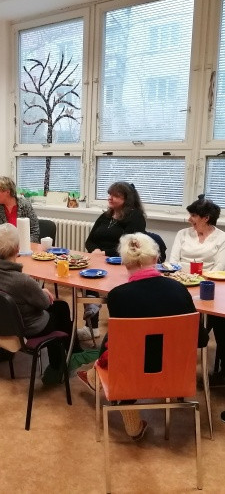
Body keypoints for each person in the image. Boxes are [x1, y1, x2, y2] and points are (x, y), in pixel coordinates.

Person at [77, 233, 208, 440]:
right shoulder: (180, 290)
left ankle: (122, 409)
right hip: (177, 375)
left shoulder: (118, 296)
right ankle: (95, 378)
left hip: (132, 377)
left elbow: (121, 348)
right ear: (156, 259)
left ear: (125, 263)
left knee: (115, 340)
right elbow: (201, 340)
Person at [0, 223, 78, 370]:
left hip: (0, 322)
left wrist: (38, 291)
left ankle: (73, 352)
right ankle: (60, 364)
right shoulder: (23, 281)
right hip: (26, 328)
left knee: (59, 307)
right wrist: (41, 291)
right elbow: (45, 304)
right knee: (60, 309)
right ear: (17, 249)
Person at [80, 181, 147, 341]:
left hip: (121, 262)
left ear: (127, 199)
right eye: (109, 194)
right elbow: (90, 240)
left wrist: (104, 253)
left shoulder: (135, 217)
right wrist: (95, 251)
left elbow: (129, 246)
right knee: (85, 279)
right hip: (98, 259)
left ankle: (118, 331)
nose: (110, 198)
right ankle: (91, 327)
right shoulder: (106, 216)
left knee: (115, 293)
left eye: (115, 196)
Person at [170, 195, 225, 385]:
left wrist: (199, 278)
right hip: (181, 283)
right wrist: (184, 277)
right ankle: (177, 359)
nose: (189, 219)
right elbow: (173, 261)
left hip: (209, 284)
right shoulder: (183, 234)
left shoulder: (222, 237)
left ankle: (221, 370)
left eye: (193, 215)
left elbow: (219, 267)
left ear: (206, 218)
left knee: (219, 318)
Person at [0, 176, 40, 243]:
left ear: (7, 192)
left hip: (23, 246)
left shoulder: (25, 205)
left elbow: (35, 232)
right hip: (2, 246)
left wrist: (23, 244)